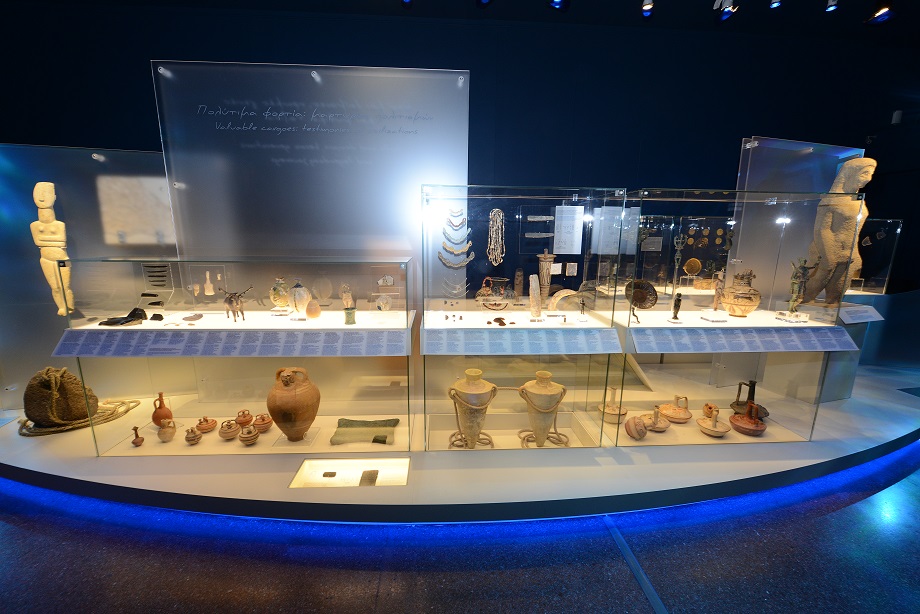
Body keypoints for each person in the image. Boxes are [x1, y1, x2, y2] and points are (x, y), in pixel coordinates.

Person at [802, 158, 877, 305]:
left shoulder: (860, 202)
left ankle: (832, 302)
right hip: (827, 246)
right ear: (849, 174)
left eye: (871, 174)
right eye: (864, 173)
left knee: (843, 277)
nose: (868, 179)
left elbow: (855, 230)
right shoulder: (830, 201)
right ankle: (807, 299)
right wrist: (828, 255)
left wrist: (854, 250)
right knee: (825, 271)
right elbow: (821, 229)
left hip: (849, 248)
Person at [29, 182, 75, 316]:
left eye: (46, 193)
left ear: (54, 197)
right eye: (38, 193)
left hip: (63, 259)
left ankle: (69, 307)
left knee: (65, 286)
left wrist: (46, 240)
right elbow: (37, 241)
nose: (42, 197)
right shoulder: (34, 225)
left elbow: (61, 240)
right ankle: (62, 307)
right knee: (55, 287)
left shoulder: (59, 225)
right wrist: (51, 241)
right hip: (46, 259)